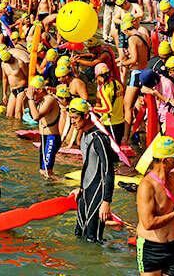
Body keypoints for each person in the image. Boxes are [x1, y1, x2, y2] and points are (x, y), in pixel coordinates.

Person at [135, 135, 174, 275]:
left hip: (173, 246)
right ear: (164, 160)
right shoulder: (147, 186)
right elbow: (148, 223)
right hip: (151, 248)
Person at [68, 98, 114, 243]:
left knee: (93, 239)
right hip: (86, 192)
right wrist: (80, 188)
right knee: (78, 234)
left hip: (99, 195)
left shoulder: (99, 138)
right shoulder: (84, 135)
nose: (72, 122)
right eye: (71, 119)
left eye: (75, 118)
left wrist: (106, 201)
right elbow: (87, 165)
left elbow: (109, 170)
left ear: (86, 115)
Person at [25, 75, 61, 178]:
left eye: (33, 91)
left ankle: (61, 185)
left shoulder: (49, 99)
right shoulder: (42, 100)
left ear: (40, 90)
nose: (32, 93)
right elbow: (32, 115)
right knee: (43, 171)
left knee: (47, 173)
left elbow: (36, 117)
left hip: (51, 139)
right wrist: (28, 98)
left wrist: (31, 98)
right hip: (45, 139)